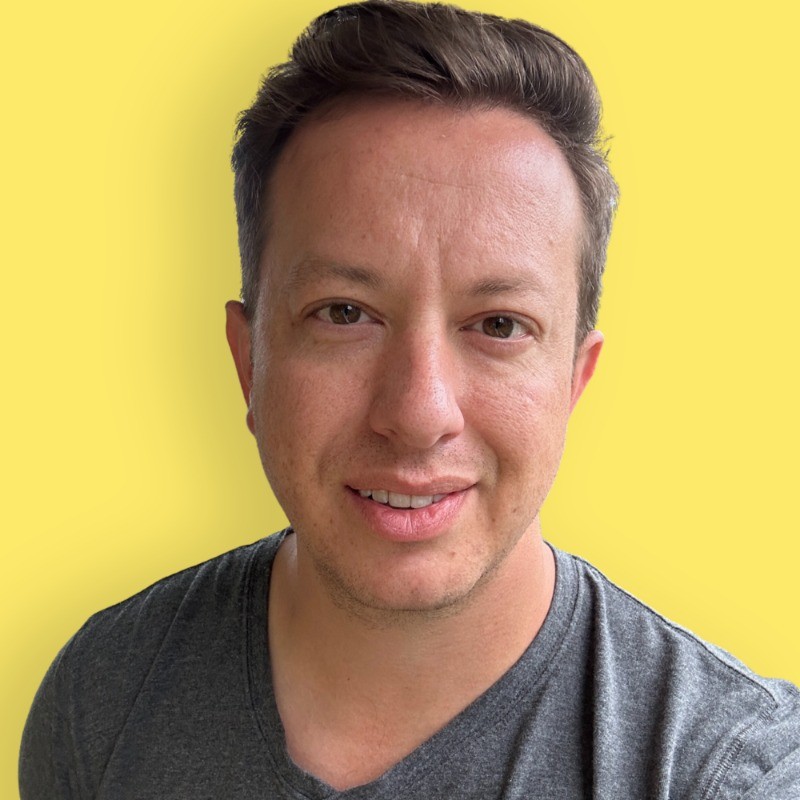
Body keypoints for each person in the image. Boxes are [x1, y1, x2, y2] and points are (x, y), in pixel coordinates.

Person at [19, 1, 800, 797]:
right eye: (344, 314)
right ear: (248, 361)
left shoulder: (731, 772)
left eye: (499, 325)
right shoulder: (101, 699)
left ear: (574, 379)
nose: (420, 413)